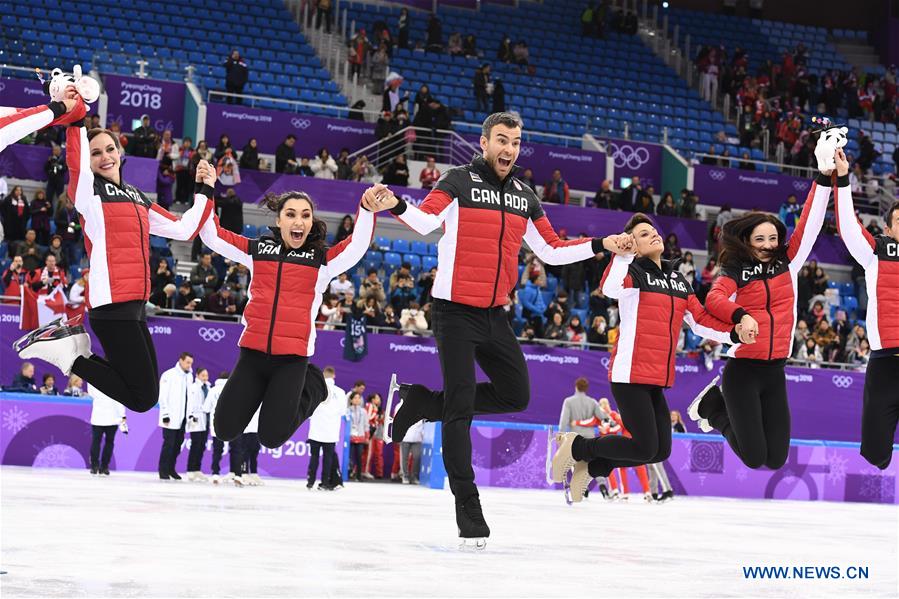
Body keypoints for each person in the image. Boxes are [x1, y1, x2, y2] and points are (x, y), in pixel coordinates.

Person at [378, 112, 628, 546]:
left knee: (517, 393)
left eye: (515, 142)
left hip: (494, 314)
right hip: (453, 311)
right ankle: (468, 510)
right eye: (501, 140)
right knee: (459, 412)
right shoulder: (457, 181)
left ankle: (421, 401)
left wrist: (601, 245)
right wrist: (395, 205)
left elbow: (550, 250)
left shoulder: (524, 195)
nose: (509, 149)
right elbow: (425, 221)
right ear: (484, 142)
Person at [15, 117, 215, 417]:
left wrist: (204, 190)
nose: (105, 157)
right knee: (142, 398)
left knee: (146, 394)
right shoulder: (89, 193)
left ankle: (70, 351)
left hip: (134, 306)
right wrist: (76, 119)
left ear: (120, 152)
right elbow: (77, 165)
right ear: (89, 160)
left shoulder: (137, 197)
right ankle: (70, 356)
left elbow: (185, 229)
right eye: (96, 153)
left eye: (110, 149)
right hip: (111, 305)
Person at [551, 213, 744, 502]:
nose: (653, 234)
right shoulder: (631, 273)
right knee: (643, 447)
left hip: (657, 377)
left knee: (660, 450)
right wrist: (622, 256)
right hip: (629, 373)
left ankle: (591, 467)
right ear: (634, 246)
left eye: (653, 230)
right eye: (643, 234)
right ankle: (577, 447)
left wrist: (735, 334)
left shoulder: (679, 280)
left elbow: (700, 320)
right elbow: (609, 288)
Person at [195, 185, 392, 451]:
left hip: (292, 361)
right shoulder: (258, 250)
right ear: (278, 220)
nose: (299, 221)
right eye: (290, 214)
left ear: (311, 222)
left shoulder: (321, 260)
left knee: (271, 437)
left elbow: (356, 247)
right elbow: (212, 236)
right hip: (252, 356)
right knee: (224, 429)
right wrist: (204, 190)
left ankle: (316, 383)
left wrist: (366, 210)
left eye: (305, 215)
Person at [689, 146, 846, 471]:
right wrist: (741, 316)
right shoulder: (734, 269)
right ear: (747, 241)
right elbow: (714, 300)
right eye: (759, 239)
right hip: (743, 371)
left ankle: (714, 406)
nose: (767, 245)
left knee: (775, 460)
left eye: (773, 238)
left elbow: (811, 221)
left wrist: (823, 175)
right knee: (754, 457)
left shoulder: (788, 262)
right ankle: (713, 408)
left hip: (775, 371)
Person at [835, 187, 899, 469]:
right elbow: (848, 225)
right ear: (888, 228)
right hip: (885, 364)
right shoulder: (876, 252)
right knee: (876, 454)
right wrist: (843, 181)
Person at [156, 352, 195, 480]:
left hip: (183, 418)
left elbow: (189, 397)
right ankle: (163, 470)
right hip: (170, 418)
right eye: (188, 362)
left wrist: (189, 415)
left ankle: (171, 469)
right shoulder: (169, 375)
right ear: (181, 360)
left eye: (191, 363)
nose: (189, 365)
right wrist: (165, 414)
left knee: (178, 445)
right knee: (169, 445)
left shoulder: (189, 376)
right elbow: (162, 396)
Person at [307, 366, 346, 490]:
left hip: (316, 430)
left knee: (314, 456)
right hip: (331, 431)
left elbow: (309, 409)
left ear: (323, 375)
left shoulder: (316, 389)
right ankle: (324, 482)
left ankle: (310, 481)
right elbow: (343, 412)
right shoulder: (340, 392)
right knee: (328, 458)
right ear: (334, 376)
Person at [203, 371, 243, 485]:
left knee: (217, 450)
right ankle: (238, 475)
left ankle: (215, 473)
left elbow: (206, 408)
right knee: (236, 450)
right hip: (234, 424)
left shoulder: (213, 390)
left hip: (218, 424)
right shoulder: (236, 389)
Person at [88, 384, 126, 475]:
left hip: (106, 416)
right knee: (107, 442)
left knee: (99, 441)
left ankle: (96, 466)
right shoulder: (115, 380)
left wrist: (122, 414)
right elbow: (119, 399)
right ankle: (103, 466)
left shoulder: (93, 379)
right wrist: (123, 415)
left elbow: (91, 394)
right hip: (107, 416)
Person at [185, 367, 211, 482]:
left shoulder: (208, 387)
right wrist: (190, 416)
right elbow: (190, 403)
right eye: (203, 375)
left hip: (205, 420)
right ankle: (191, 470)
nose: (205, 378)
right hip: (195, 419)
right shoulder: (194, 387)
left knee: (202, 445)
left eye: (206, 375)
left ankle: (197, 469)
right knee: (195, 445)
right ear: (197, 375)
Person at [347, 391, 368, 481]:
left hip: (360, 436)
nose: (357, 400)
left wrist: (367, 437)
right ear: (351, 400)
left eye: (359, 398)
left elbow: (366, 425)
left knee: (359, 457)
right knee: (349, 457)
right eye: (355, 398)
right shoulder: (347, 411)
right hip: (350, 437)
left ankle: (359, 476)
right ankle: (348, 474)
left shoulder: (363, 411)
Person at [240, 407, 262, 486]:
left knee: (255, 451)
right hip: (246, 429)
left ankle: (254, 473)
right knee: (245, 452)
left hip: (256, 429)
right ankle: (243, 473)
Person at [400, 419, 424, 484]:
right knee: (405, 458)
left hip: (417, 438)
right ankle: (405, 476)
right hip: (405, 437)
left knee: (417, 457)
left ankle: (414, 476)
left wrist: (423, 433)